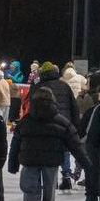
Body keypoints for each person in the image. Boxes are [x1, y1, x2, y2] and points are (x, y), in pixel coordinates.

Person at [8, 87, 89, 201]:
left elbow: (15, 143)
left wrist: (13, 164)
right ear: (53, 101)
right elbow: (75, 144)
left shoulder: (26, 120)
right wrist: (86, 164)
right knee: (49, 196)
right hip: (51, 163)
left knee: (30, 191)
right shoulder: (61, 121)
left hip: (29, 161)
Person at [36, 61, 80, 191]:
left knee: (46, 150)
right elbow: (74, 107)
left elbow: (33, 107)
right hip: (64, 122)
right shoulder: (64, 86)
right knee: (64, 150)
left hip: (45, 124)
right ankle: (66, 177)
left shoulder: (39, 86)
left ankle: (50, 180)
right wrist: (75, 125)